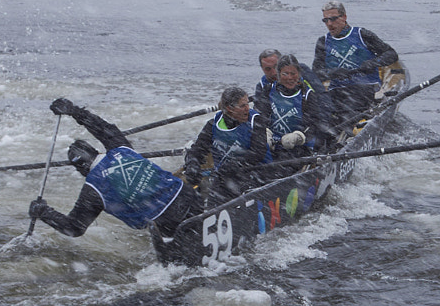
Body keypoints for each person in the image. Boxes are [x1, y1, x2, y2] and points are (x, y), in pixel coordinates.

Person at [28, 99, 204, 250]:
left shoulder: (92, 190)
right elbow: (103, 128)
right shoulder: (121, 148)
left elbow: (74, 228)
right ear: (95, 151)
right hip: (189, 197)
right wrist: (74, 111)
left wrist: (43, 212)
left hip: (167, 222)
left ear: (81, 170)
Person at [312, 1, 399, 134]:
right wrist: (332, 73)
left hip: (365, 89)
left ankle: (348, 131)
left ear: (344, 17)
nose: (329, 24)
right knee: (320, 115)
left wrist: (372, 63)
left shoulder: (362, 35)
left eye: (333, 19)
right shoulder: (323, 42)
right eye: (325, 20)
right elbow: (316, 73)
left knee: (347, 114)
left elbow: (391, 54)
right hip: (338, 92)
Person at [182, 86, 272, 203]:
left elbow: (258, 153)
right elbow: (196, 150)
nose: (247, 109)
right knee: (206, 200)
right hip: (224, 177)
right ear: (230, 108)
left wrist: (234, 165)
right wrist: (192, 163)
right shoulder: (213, 124)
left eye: (247, 104)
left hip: (257, 173)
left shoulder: (256, 121)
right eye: (242, 106)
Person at [258, 53, 332, 157]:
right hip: (272, 145)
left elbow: (314, 125)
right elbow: (260, 117)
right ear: (278, 74)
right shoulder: (267, 91)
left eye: (293, 74)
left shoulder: (307, 95)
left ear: (299, 74)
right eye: (285, 74)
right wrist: (264, 133)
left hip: (297, 148)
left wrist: (299, 136)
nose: (289, 78)